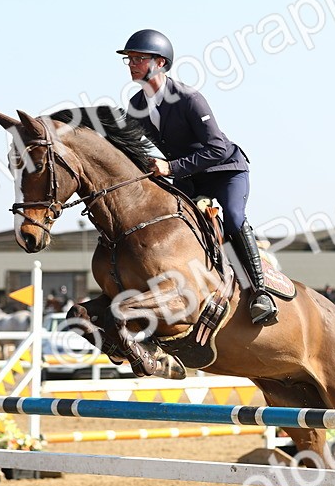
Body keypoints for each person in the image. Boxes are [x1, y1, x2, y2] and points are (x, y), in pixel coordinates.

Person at [117, 29, 278, 326]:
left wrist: (171, 168)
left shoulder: (190, 99)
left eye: (139, 58)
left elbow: (216, 148)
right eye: (129, 59)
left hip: (224, 170)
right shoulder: (136, 106)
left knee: (232, 216)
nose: (132, 64)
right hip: (189, 178)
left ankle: (260, 291)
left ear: (161, 63)